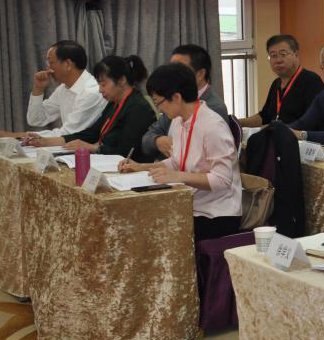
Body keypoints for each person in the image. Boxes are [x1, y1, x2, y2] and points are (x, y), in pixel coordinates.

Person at [118, 62, 242, 242]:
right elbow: (176, 162)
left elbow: (222, 180)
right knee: (138, 219)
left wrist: (178, 176)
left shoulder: (213, 126)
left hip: (216, 213)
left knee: (151, 231)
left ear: (176, 97)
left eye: (159, 103)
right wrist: (141, 167)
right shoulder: (178, 120)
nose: (159, 109)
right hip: (188, 202)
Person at [29, 54, 156, 159]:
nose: (100, 90)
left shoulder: (138, 107)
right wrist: (49, 141)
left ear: (121, 80)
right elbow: (93, 132)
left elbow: (127, 151)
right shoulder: (114, 102)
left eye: (103, 84)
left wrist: (92, 148)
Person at [140, 44, 229, 159]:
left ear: (200, 74)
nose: (170, 75)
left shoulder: (214, 108)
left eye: (179, 69)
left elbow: (194, 159)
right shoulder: (175, 101)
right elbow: (147, 139)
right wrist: (157, 140)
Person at [16, 39, 107, 139]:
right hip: (70, 145)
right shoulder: (63, 88)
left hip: (87, 147)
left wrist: (19, 136)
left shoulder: (91, 91)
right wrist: (38, 88)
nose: (48, 69)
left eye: (51, 63)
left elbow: (68, 133)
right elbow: (35, 119)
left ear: (67, 64)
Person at [238, 34, 324, 128]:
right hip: (277, 135)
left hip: (299, 137)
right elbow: (264, 117)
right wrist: (236, 122)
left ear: (296, 55)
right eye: (273, 56)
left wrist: (277, 129)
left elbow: (313, 121)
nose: (278, 60)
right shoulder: (276, 84)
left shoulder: (311, 81)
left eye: (283, 54)